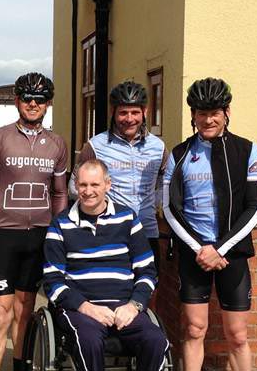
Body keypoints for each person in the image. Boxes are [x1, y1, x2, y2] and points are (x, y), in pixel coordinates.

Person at [163, 77, 257, 371]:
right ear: (193, 115)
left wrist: (220, 249)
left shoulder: (248, 151)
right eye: (201, 112)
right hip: (193, 253)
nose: (208, 119)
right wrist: (201, 249)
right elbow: (170, 208)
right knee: (194, 330)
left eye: (214, 113)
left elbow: (256, 207)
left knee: (237, 335)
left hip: (230, 253)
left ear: (226, 112)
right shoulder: (179, 154)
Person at [0, 72, 68, 371]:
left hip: (39, 236)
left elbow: (60, 193)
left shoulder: (57, 144)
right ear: (16, 100)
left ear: (48, 103)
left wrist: (59, 232)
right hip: (5, 236)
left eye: (39, 99)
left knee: (25, 311)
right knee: (0, 313)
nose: (33, 104)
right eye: (27, 97)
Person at [44, 159, 169, 371]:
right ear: (76, 186)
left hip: (124, 306)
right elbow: (53, 280)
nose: (88, 191)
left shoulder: (128, 218)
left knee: (156, 340)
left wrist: (134, 305)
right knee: (89, 341)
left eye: (95, 185)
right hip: (80, 309)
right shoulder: (60, 224)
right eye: (83, 185)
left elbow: (147, 271)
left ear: (107, 185)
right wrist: (87, 307)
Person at [69, 81, 168, 272]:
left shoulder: (158, 147)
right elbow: (73, 186)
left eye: (135, 112)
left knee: (148, 289)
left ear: (145, 112)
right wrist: (100, 205)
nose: (129, 119)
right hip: (108, 232)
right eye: (123, 112)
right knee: (109, 291)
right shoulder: (95, 146)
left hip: (146, 231)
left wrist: (157, 202)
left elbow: (166, 183)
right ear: (113, 112)